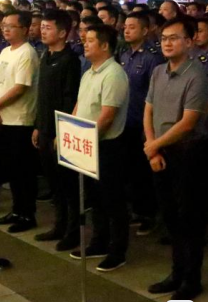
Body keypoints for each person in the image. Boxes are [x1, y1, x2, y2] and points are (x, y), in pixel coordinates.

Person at [144, 16, 208, 300]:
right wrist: (152, 147)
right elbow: (148, 109)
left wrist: (154, 145)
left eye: (174, 38)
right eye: (164, 38)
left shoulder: (197, 75)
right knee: (170, 217)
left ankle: (191, 280)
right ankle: (176, 272)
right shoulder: (158, 71)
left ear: (189, 41)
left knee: (190, 219)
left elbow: (188, 122)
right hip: (160, 151)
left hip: (188, 153)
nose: (167, 43)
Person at [71, 23, 130, 271]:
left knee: (113, 199)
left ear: (105, 45)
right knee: (95, 198)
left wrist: (85, 138)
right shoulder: (89, 72)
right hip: (86, 144)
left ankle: (117, 251)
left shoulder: (114, 74)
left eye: (91, 40)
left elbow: (107, 116)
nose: (85, 43)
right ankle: (99, 241)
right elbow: (80, 105)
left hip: (107, 146)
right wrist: (71, 131)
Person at [32, 10, 83, 250]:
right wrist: (38, 126)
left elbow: (68, 99)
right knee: (54, 182)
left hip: (59, 131)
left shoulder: (70, 60)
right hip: (43, 128)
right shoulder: (46, 56)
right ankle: (59, 225)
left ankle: (73, 231)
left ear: (63, 33)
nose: (43, 31)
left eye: (48, 27)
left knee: (67, 184)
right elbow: (42, 95)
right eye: (42, 27)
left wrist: (59, 131)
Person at [0, 11, 40, 233]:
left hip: (20, 120)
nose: (6, 29)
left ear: (25, 29)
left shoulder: (27, 53)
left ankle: (27, 214)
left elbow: (20, 88)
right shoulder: (5, 51)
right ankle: (16, 210)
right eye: (3, 26)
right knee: (11, 169)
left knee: (23, 171)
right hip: (3, 118)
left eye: (11, 26)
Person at [117, 12, 163, 235]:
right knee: (130, 170)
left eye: (132, 27)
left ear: (145, 31)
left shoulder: (153, 58)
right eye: (125, 27)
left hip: (143, 123)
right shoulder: (124, 54)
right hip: (125, 120)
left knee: (144, 172)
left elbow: (155, 95)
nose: (126, 30)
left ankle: (148, 214)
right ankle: (136, 209)